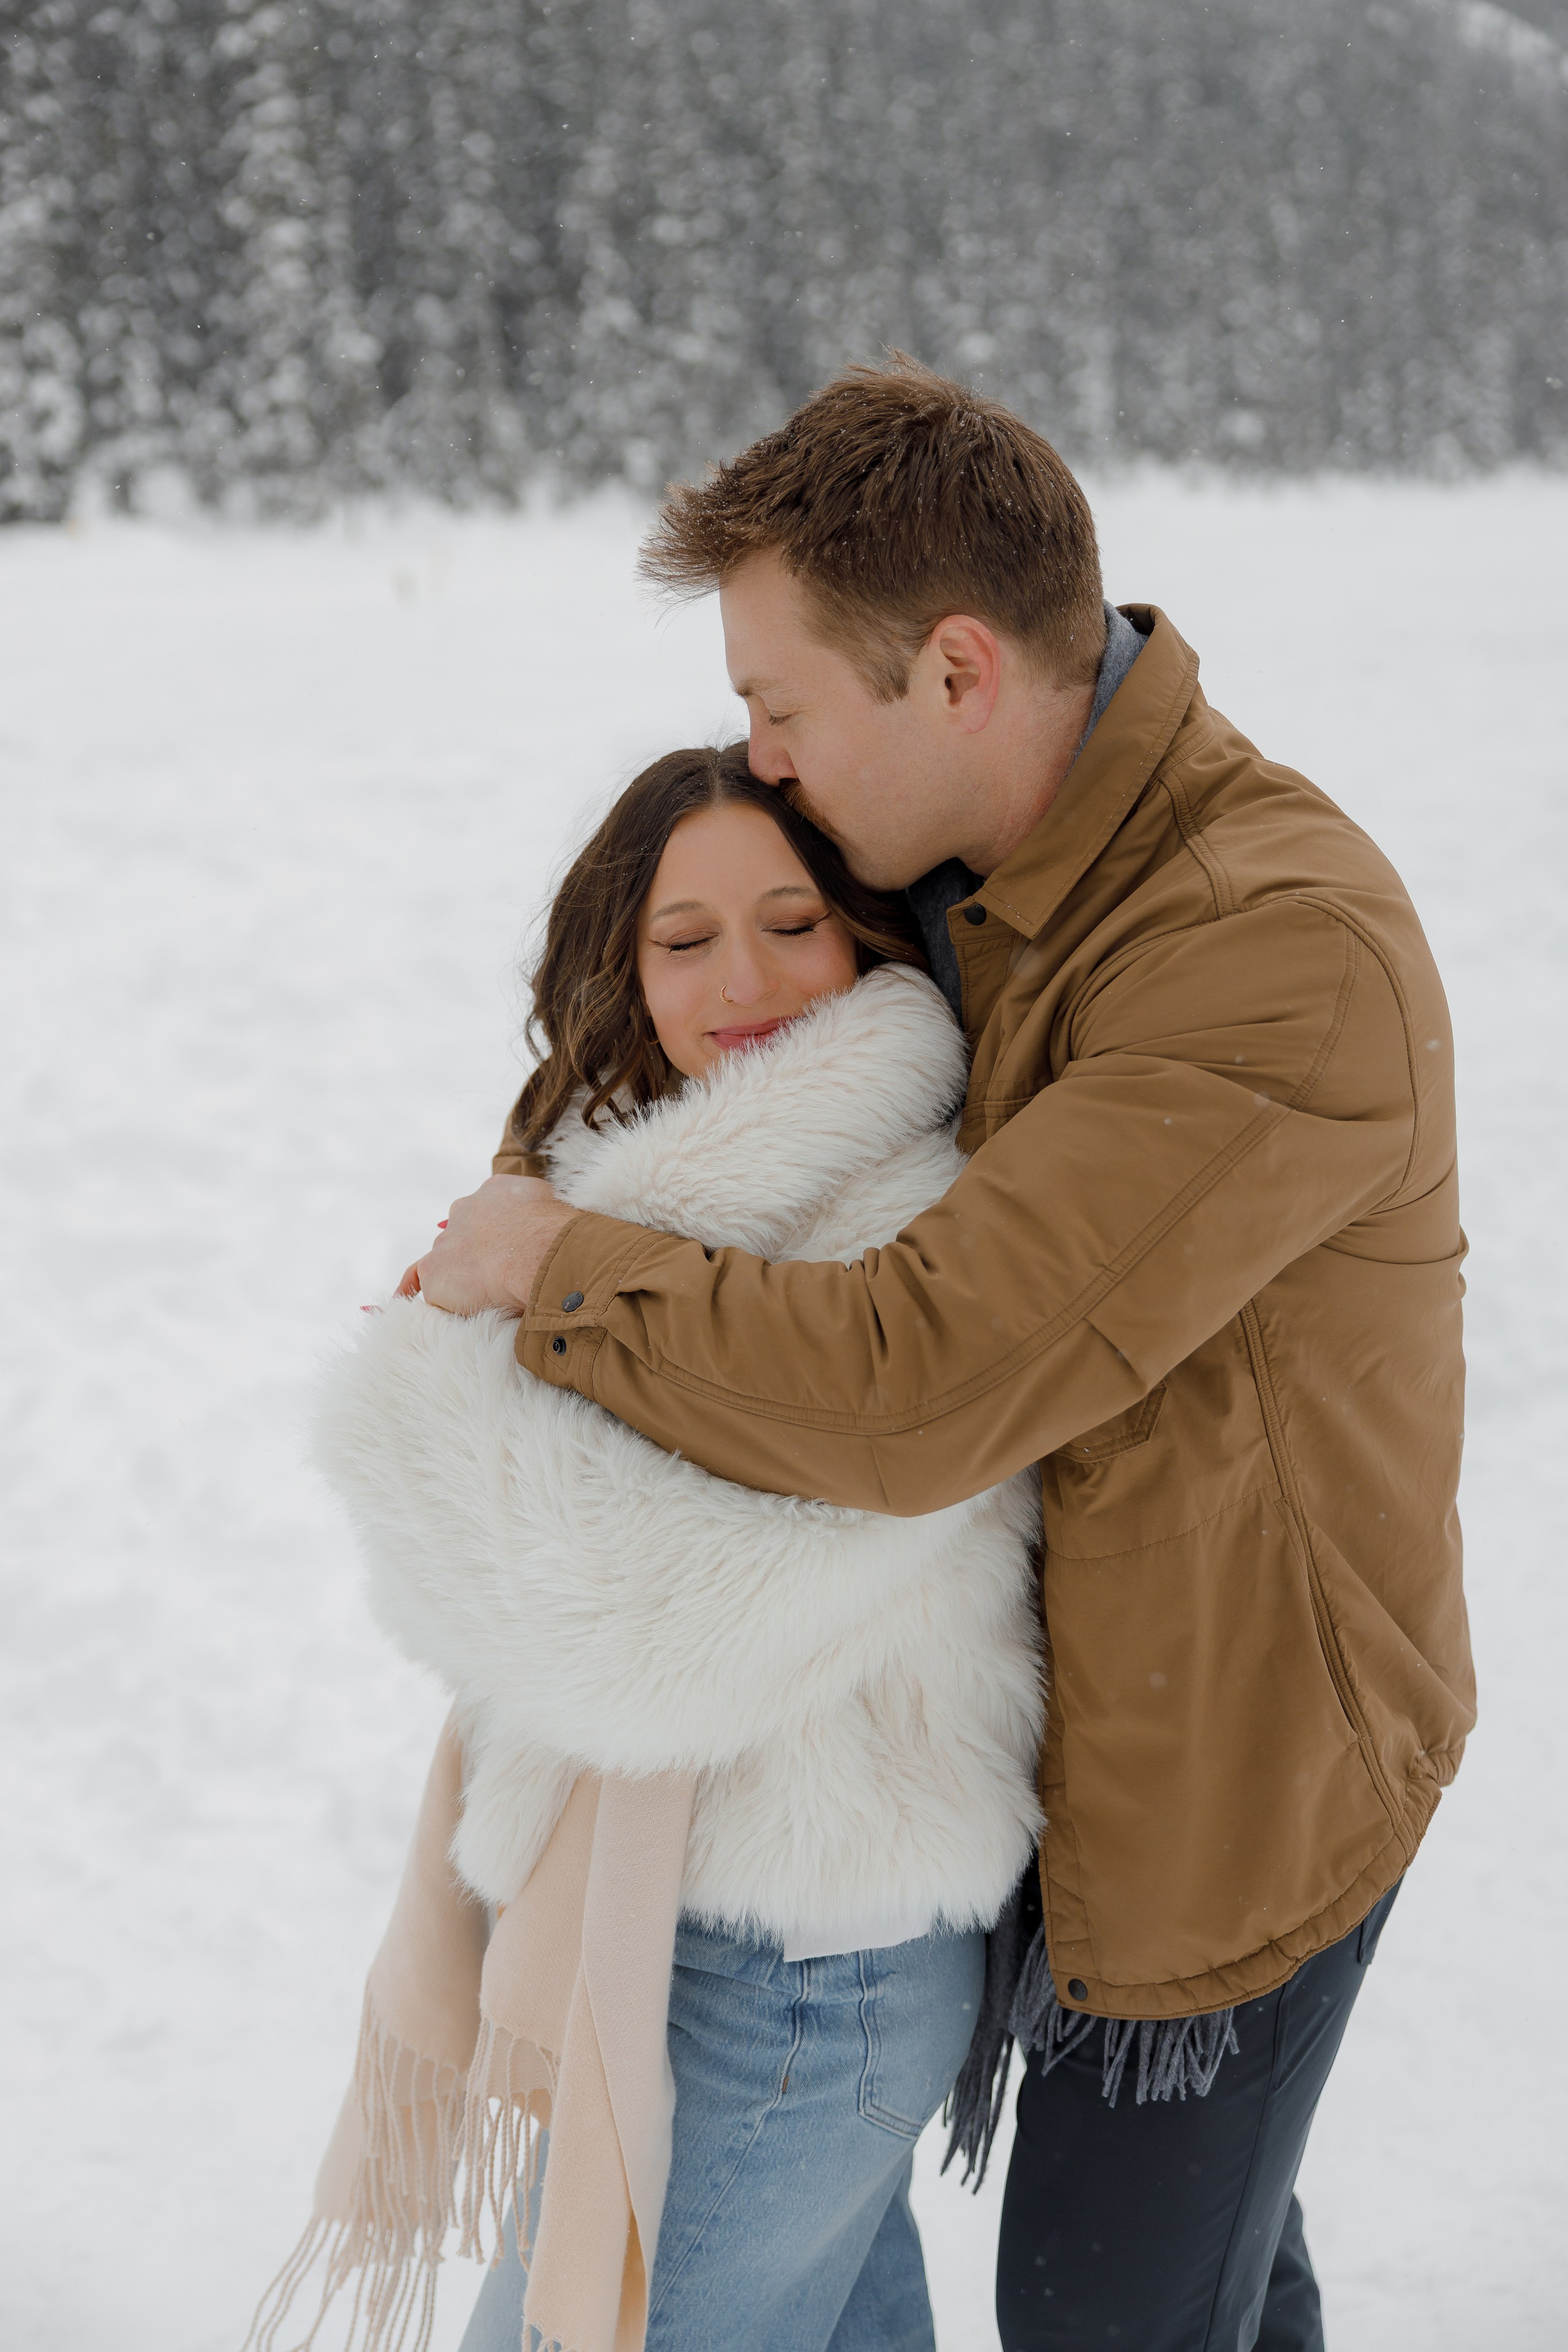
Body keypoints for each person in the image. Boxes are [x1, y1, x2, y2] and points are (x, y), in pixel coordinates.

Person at [412, 356, 1476, 2351]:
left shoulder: (1268, 950)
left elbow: (922, 1379)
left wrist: (561, 1271)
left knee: (1111, 2318)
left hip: (1230, 1791)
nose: (765, 760)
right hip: (1047, 1741)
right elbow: (684, 1055)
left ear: (960, 672)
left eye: (778, 709)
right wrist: (548, 1199)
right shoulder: (962, 865)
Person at [249, 745, 1049, 2352]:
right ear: (624, 967)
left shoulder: (905, 1214)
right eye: (683, 943)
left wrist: (431, 1373)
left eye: (793, 924)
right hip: (686, 1929)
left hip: (806, 1971)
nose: (743, 983)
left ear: (874, 941)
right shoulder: (629, 1176)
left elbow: (633, 1631)